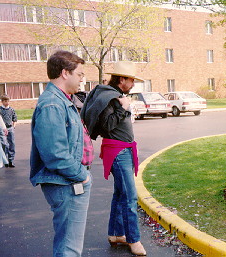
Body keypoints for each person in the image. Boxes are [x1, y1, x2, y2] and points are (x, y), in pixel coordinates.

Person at [30, 50, 92, 257]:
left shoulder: (63, 100)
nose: (82, 79)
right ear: (65, 73)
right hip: (66, 182)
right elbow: (54, 153)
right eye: (80, 74)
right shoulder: (52, 104)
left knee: (70, 244)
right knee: (69, 247)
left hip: (69, 180)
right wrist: (81, 175)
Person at [81, 61, 146, 256]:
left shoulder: (114, 95)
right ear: (122, 79)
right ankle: (134, 240)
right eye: (131, 80)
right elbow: (107, 126)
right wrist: (122, 108)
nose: (133, 83)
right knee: (130, 197)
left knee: (120, 194)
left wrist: (123, 105)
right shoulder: (110, 97)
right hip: (118, 152)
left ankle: (116, 234)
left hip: (123, 150)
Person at [0, 94, 17, 167]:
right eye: (5, 101)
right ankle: (5, 160)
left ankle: (11, 160)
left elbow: (14, 119)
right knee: (4, 144)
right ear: (2, 101)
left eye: (8, 101)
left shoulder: (11, 110)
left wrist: (13, 126)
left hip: (10, 128)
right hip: (2, 129)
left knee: (12, 144)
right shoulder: (0, 109)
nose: (7, 102)